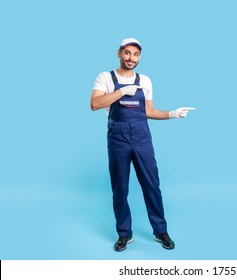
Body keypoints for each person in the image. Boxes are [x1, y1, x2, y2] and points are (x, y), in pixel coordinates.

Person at [90, 37, 195, 251]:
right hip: (118, 139)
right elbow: (94, 104)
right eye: (127, 53)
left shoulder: (145, 80)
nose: (131, 58)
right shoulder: (105, 77)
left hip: (141, 138)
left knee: (151, 185)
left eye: (136, 54)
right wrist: (121, 91)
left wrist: (172, 114)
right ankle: (124, 234)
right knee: (120, 187)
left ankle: (160, 231)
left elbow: (148, 112)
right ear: (119, 53)